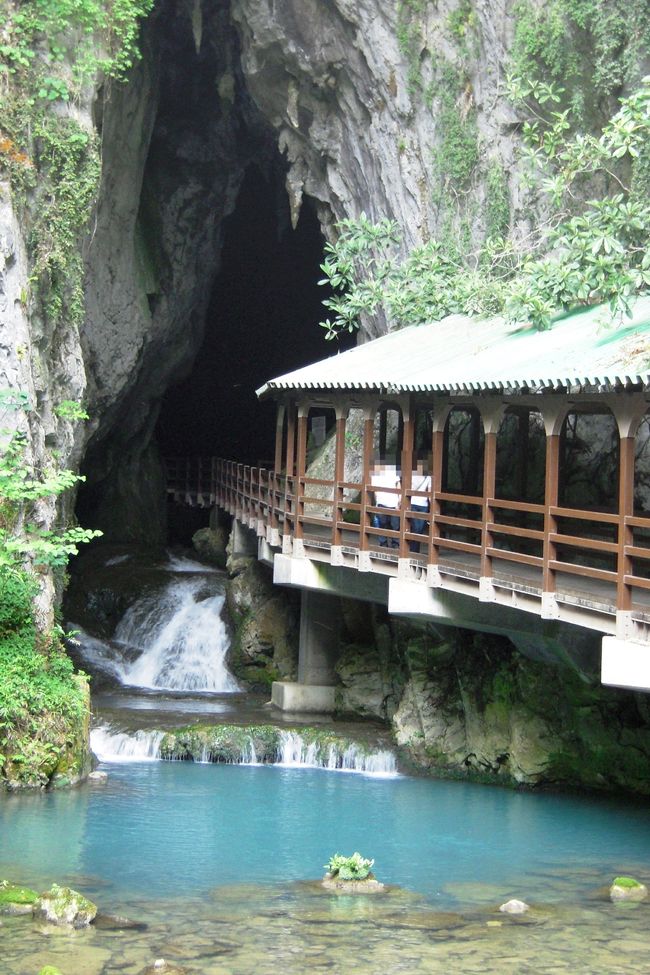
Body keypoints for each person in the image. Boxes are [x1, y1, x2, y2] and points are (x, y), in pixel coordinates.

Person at [370, 462, 400, 547]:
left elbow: (375, 490)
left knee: (382, 524)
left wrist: (377, 501)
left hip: (385, 501)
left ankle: (384, 542)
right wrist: (399, 500)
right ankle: (395, 543)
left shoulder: (375, 472)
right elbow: (398, 484)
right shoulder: (392, 469)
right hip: (392, 501)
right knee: (395, 525)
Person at [408, 461, 431, 553]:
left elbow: (429, 491)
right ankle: (414, 549)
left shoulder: (428, 477)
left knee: (420, 529)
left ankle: (415, 549)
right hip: (413, 503)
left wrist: (431, 505)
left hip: (423, 504)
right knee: (415, 527)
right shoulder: (413, 475)